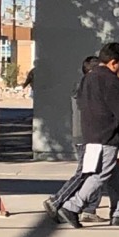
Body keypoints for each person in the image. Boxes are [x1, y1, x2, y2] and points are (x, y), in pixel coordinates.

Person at [57, 42, 119, 228]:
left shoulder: (88, 79)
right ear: (115, 62)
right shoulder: (111, 81)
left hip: (92, 132)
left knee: (115, 174)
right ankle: (71, 206)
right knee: (100, 174)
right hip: (107, 134)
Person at [43, 56, 107, 223]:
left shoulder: (86, 86)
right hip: (86, 135)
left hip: (89, 134)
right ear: (92, 71)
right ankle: (56, 200)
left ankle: (89, 209)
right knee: (85, 172)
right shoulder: (85, 86)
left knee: (95, 172)